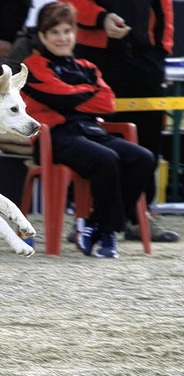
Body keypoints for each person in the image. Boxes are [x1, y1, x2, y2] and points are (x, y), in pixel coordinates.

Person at [22, 1, 155, 258]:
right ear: (42, 36)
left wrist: (74, 97)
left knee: (143, 158)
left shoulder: (87, 66)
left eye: (67, 31)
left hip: (91, 132)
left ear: (75, 34)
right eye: (55, 33)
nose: (62, 38)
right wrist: (85, 95)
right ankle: (106, 233)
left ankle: (97, 225)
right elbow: (61, 98)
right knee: (107, 159)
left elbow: (107, 103)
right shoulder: (33, 67)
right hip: (55, 138)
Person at [62, 0, 179, 243]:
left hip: (145, 56)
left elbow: (164, 8)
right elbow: (69, 3)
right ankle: (86, 217)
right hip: (97, 52)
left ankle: (139, 215)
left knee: (148, 138)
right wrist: (101, 18)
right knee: (93, 135)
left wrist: (160, 48)